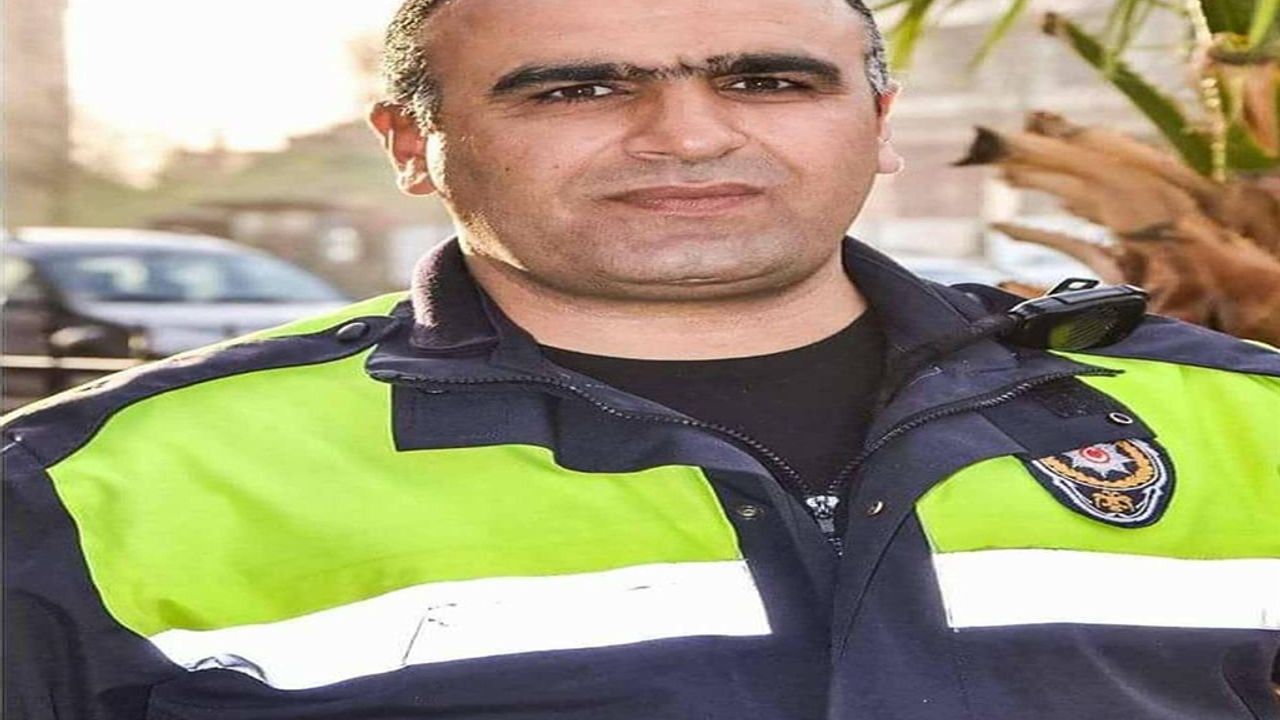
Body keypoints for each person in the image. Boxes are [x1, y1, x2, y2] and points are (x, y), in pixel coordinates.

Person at [4, 0, 1278, 717]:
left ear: (878, 122)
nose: (686, 136)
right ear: (409, 143)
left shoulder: (1239, 428)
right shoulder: (94, 490)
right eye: (574, 90)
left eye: (769, 82)